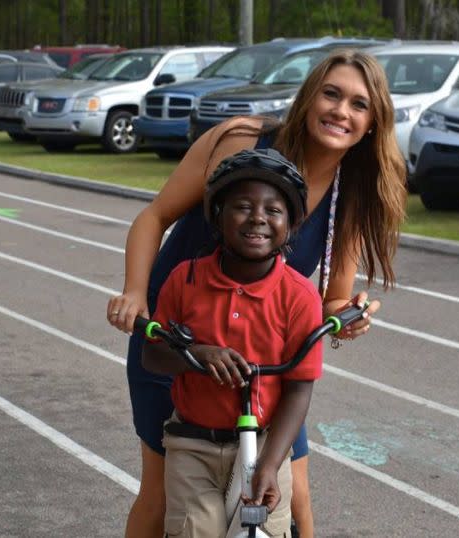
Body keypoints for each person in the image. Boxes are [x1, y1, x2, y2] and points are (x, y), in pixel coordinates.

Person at [108, 48, 407, 538]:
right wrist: (136, 294)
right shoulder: (241, 142)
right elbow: (154, 216)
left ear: (373, 122)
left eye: (359, 104)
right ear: (309, 97)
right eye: (331, 94)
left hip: (263, 363)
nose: (340, 111)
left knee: (296, 496)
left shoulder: (350, 192)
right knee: (163, 496)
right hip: (180, 346)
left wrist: (349, 314)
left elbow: (333, 298)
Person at [142, 148, 323, 537]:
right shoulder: (185, 279)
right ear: (217, 215)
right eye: (243, 206)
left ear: (290, 225)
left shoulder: (299, 296)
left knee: (262, 532)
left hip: (264, 446)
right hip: (193, 446)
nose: (258, 217)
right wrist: (197, 355)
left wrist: (272, 466)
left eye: (274, 210)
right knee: (196, 531)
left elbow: (299, 387)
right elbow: (152, 354)